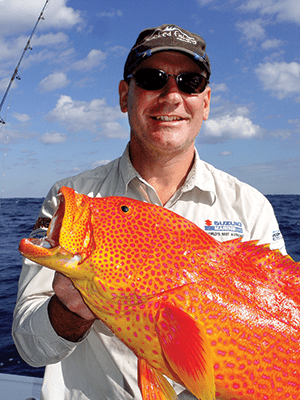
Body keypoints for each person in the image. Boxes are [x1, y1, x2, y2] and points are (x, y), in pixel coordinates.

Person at [12, 24, 286, 400]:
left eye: (190, 82)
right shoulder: (68, 199)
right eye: (152, 78)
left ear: (205, 103)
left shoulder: (250, 206)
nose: (172, 95)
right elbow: (29, 347)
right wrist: (70, 311)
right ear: (126, 95)